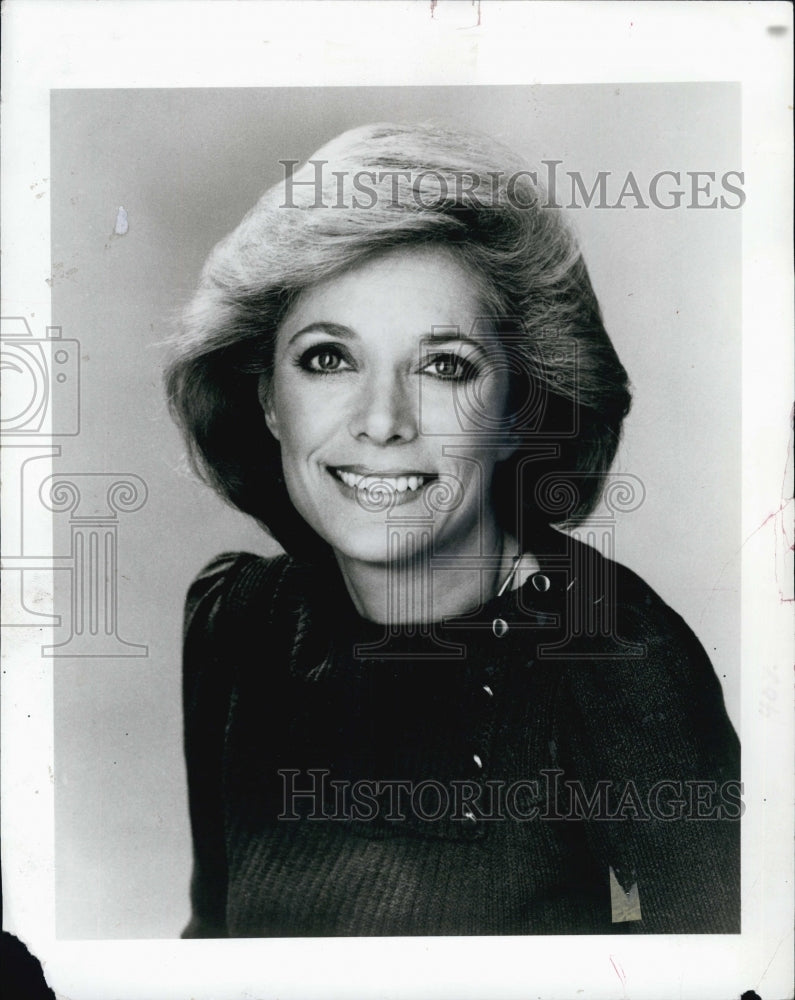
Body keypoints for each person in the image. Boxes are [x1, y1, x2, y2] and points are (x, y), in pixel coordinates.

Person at [164, 122, 740, 937]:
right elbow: (209, 950)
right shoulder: (239, 623)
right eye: (328, 358)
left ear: (517, 410)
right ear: (266, 399)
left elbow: (726, 972)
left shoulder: (613, 663)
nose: (382, 421)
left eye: (444, 366)